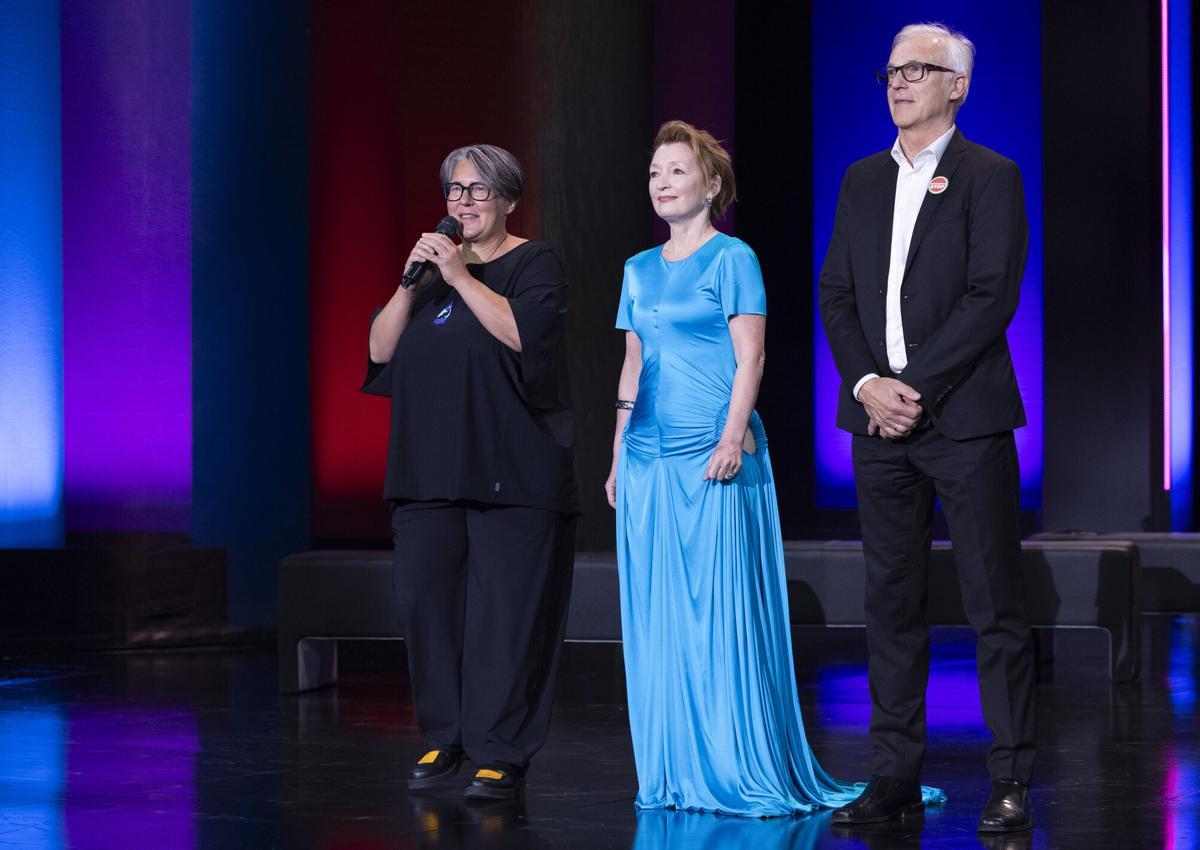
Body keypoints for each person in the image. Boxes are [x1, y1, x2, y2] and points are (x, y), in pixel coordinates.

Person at [606, 120, 943, 818]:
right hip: (648, 458)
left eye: (674, 171)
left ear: (710, 184)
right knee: (661, 618)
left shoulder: (734, 258)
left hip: (715, 451)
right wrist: (616, 455)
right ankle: (675, 771)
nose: (661, 183)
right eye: (653, 173)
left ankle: (737, 764)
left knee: (719, 615)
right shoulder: (637, 270)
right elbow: (633, 366)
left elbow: (751, 356)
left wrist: (732, 438)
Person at [817, 23, 1036, 833]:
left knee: (993, 606)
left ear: (959, 86)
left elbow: (991, 296)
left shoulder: (992, 176)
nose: (900, 81)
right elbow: (835, 291)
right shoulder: (861, 179)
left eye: (920, 69)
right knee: (891, 604)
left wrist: (912, 386)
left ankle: (1010, 778)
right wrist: (869, 384)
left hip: (964, 419)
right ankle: (893, 779)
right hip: (876, 424)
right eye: (892, 69)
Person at [363, 143, 579, 801]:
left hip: (513, 474)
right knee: (426, 607)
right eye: (455, 191)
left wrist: (459, 275)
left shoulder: (531, 262)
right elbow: (379, 348)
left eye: (479, 190)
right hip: (427, 474)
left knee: (506, 619)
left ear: (509, 198)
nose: (464, 203)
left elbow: (523, 335)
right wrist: (410, 282)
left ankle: (500, 750)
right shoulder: (429, 276)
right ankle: (444, 735)